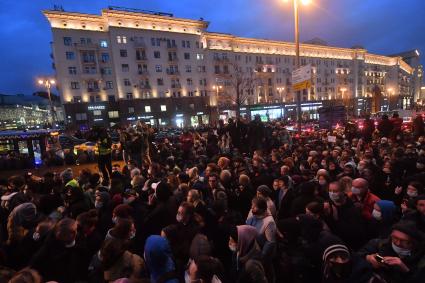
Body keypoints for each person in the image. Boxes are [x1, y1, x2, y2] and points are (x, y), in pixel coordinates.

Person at [358, 221, 425, 283]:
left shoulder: (421, 256)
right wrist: (368, 258)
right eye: (395, 238)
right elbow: (357, 256)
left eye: (404, 241)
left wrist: (406, 270)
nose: (398, 243)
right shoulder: (377, 244)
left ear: (414, 241)